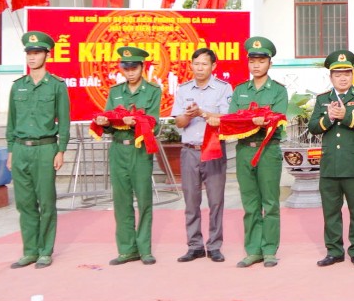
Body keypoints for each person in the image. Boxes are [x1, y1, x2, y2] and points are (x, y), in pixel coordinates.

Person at [6, 31, 70, 269]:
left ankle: (45, 250)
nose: (32, 58)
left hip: (45, 148)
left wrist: (61, 149)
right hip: (21, 149)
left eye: (36, 53)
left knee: (46, 200)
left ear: (46, 54)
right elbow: (11, 122)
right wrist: (11, 150)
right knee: (24, 203)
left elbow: (63, 121)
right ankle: (29, 251)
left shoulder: (56, 86)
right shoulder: (18, 87)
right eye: (29, 53)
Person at [308, 49, 354, 267]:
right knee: (330, 211)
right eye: (338, 74)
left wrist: (345, 115)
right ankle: (334, 250)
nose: (343, 77)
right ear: (331, 77)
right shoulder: (322, 99)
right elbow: (312, 128)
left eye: (347, 72)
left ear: (352, 74)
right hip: (330, 164)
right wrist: (328, 117)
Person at [96, 46, 162, 266]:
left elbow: (153, 122)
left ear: (143, 67)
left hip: (139, 148)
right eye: (126, 68)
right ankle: (126, 249)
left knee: (143, 199)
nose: (130, 72)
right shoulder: (115, 92)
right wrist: (104, 123)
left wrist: (134, 122)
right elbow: (108, 118)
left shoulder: (152, 91)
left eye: (134, 67)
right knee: (121, 200)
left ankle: (145, 249)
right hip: (118, 149)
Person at [228, 36, 289, 268]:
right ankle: (253, 249)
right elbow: (233, 119)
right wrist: (253, 121)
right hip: (244, 149)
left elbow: (277, 118)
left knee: (270, 202)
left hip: (268, 150)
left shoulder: (278, 91)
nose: (256, 65)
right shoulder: (240, 91)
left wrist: (255, 121)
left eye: (261, 60)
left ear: (269, 63)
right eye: (252, 60)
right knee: (250, 203)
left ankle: (270, 249)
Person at [171, 47, 232, 263]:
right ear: (191, 65)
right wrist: (188, 116)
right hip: (189, 151)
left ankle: (214, 245)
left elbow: (226, 118)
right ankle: (194, 245)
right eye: (196, 64)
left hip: (213, 150)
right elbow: (177, 122)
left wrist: (203, 113)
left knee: (215, 201)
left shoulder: (223, 89)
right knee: (191, 201)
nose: (199, 68)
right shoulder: (184, 89)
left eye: (204, 64)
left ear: (213, 66)